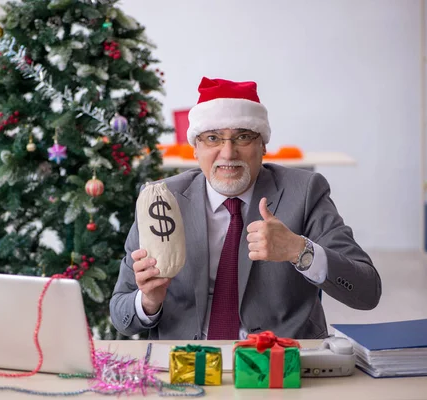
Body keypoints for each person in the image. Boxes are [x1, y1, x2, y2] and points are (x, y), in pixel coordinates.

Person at [109, 77, 382, 340]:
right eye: (213, 138)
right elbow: (121, 316)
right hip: (188, 362)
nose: (228, 154)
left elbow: (367, 291)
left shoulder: (305, 192)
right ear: (195, 148)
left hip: (280, 363)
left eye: (242, 137)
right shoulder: (162, 200)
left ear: (263, 145)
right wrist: (148, 301)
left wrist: (299, 250)